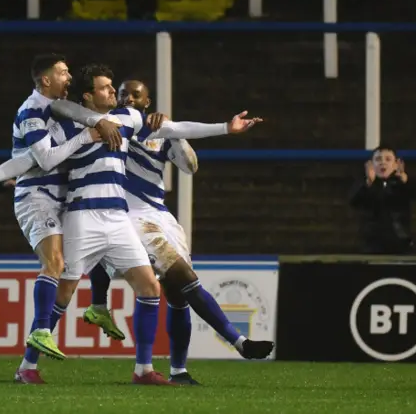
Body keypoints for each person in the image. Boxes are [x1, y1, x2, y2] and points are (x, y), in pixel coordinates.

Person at [30, 63, 263, 385]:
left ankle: (153, 369)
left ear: (146, 101)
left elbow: (182, 139)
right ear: (89, 95)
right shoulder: (71, 123)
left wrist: (226, 127)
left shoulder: (133, 122)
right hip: (94, 214)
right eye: (111, 89)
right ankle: (29, 363)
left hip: (134, 216)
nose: (118, 94)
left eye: (124, 91)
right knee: (68, 288)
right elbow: (53, 118)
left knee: (158, 288)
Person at [0, 53, 123, 384]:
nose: (69, 76)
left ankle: (28, 365)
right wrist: (87, 135)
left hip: (65, 200)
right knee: (54, 262)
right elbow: (42, 158)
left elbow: (24, 158)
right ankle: (42, 329)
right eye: (63, 72)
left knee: (68, 284)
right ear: (46, 79)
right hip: (36, 198)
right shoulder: (31, 112)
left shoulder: (61, 108)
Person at [349, 146, 416, 254]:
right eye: (378, 160)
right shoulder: (365, 184)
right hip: (372, 245)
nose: (382, 163)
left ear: (396, 164)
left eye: (388, 159)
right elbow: (354, 201)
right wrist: (368, 183)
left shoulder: (400, 184)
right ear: (371, 164)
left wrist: (405, 180)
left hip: (400, 242)